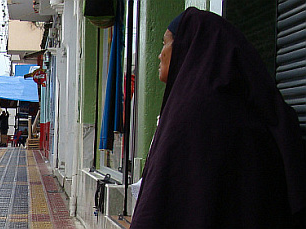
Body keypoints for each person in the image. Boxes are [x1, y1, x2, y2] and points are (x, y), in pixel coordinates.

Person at [131, 8, 306, 228]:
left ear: (188, 47)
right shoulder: (244, 110)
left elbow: (163, 201)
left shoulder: (194, 113)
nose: (160, 53)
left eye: (166, 43)